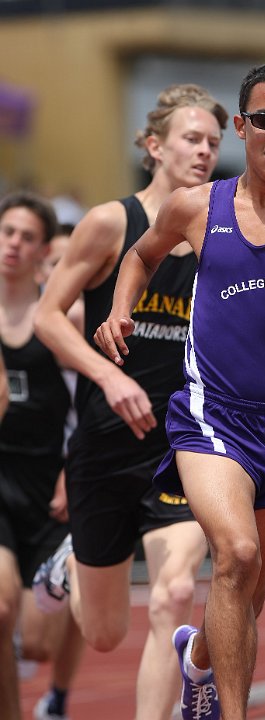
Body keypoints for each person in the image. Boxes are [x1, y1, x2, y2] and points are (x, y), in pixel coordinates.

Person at [94, 63, 265, 720]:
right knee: (236, 552)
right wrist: (119, 309)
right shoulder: (199, 206)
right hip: (210, 417)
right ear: (239, 127)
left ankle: (196, 663)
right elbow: (140, 254)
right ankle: (227, 712)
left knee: (243, 599)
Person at [32, 84, 228, 720]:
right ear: (154, 147)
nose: (204, 151)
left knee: (173, 596)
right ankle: (68, 567)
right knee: (105, 633)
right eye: (191, 139)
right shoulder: (111, 223)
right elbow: (48, 317)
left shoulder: (216, 233)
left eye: (213, 143)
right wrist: (109, 377)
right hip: (105, 441)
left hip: (183, 441)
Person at [0, 191, 85, 720]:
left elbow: (95, 401)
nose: (13, 244)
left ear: (43, 250)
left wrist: (74, 471)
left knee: (36, 644)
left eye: (27, 237)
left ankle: (54, 690)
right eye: (7, 232)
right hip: (0, 483)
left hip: (49, 487)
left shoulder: (63, 317)